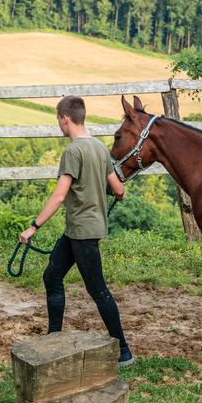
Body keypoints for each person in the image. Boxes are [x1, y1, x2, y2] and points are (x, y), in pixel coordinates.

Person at [19, 96, 135, 366]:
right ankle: (54, 338)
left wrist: (33, 226)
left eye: (58, 120)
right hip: (78, 230)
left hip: (82, 232)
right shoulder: (98, 147)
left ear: (65, 118)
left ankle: (124, 352)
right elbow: (118, 189)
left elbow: (59, 196)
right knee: (52, 276)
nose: (59, 124)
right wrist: (115, 192)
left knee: (99, 291)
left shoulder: (72, 152)